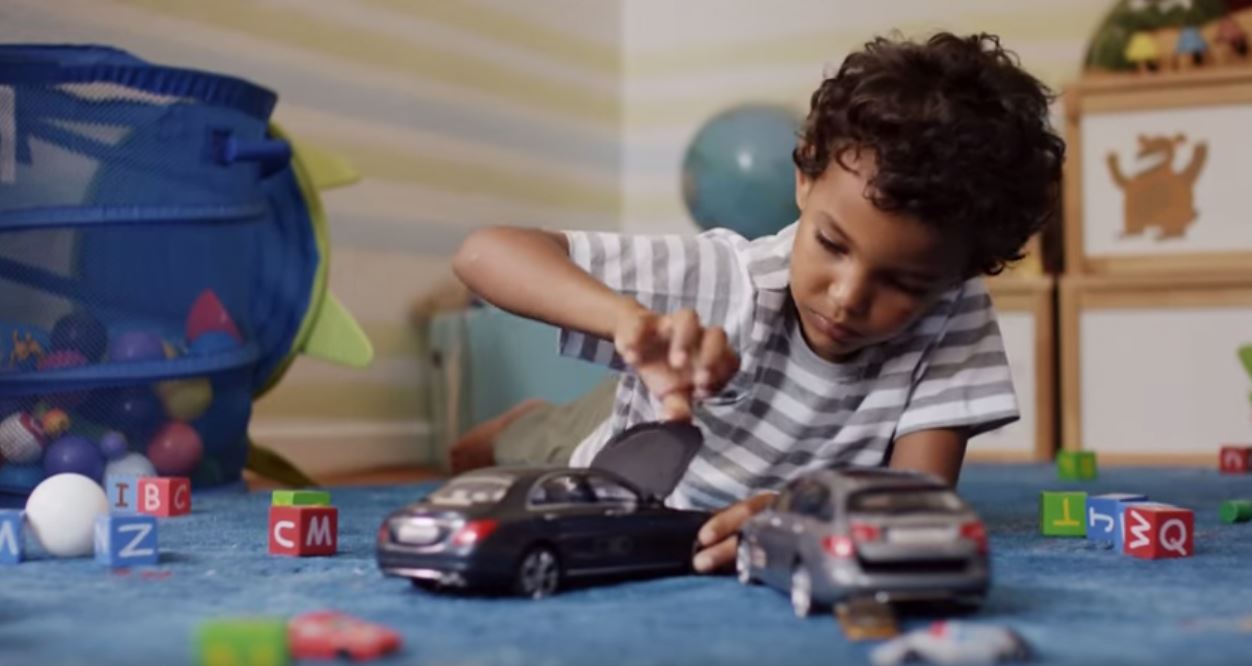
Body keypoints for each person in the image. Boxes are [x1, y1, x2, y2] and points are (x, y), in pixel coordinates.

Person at [450, 31, 1064, 574]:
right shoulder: (726, 277)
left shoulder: (955, 309)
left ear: (960, 273)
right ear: (802, 176)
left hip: (759, 464)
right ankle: (514, 424)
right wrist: (629, 322)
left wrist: (799, 517)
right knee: (526, 452)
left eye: (903, 284)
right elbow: (484, 254)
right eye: (830, 243)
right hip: (613, 452)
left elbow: (920, 501)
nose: (847, 298)